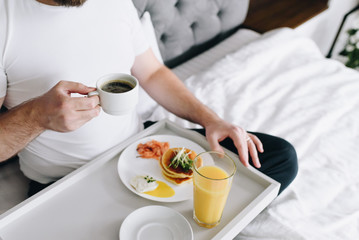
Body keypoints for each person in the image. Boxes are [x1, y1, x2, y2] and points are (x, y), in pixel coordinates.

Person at [0, 0, 297, 196]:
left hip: (142, 151)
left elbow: (152, 73)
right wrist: (36, 116)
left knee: (278, 158)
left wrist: (211, 120)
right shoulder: (5, 18)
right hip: (65, 183)